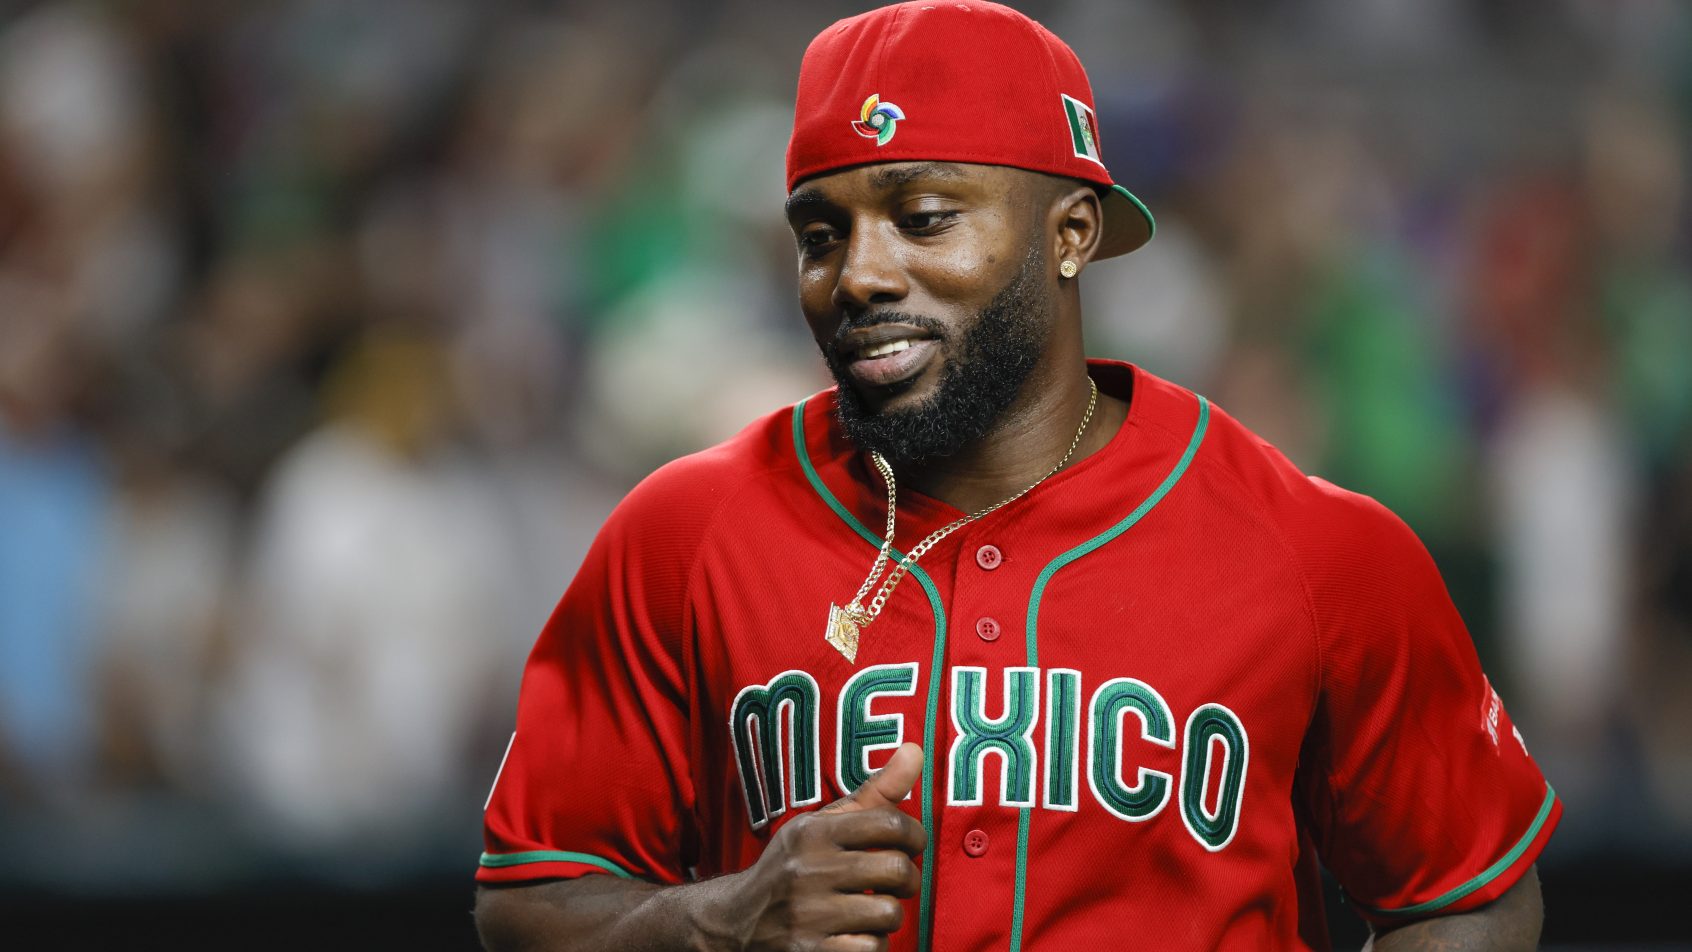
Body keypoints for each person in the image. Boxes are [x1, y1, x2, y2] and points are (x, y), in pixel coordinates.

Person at [473, 3, 1558, 949]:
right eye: (820, 234)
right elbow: (531, 898)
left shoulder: (1315, 549)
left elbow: (1472, 896)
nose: (859, 274)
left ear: (1072, 232)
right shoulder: (682, 533)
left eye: (923, 218)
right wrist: (717, 921)